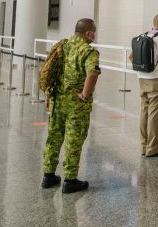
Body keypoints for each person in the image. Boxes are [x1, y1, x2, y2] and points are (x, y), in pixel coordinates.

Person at [42, 18, 101, 194]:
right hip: (76, 105)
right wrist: (84, 94)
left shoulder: (63, 46)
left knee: (54, 138)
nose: (95, 35)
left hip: (57, 101)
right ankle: (70, 180)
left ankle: (48, 175)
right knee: (73, 141)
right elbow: (92, 73)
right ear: (88, 32)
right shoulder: (89, 51)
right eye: (94, 31)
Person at [134, 13, 158, 158]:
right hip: (156, 79)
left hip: (142, 78)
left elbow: (132, 56)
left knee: (145, 111)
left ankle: (143, 146)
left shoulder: (143, 35)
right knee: (155, 114)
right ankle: (153, 148)